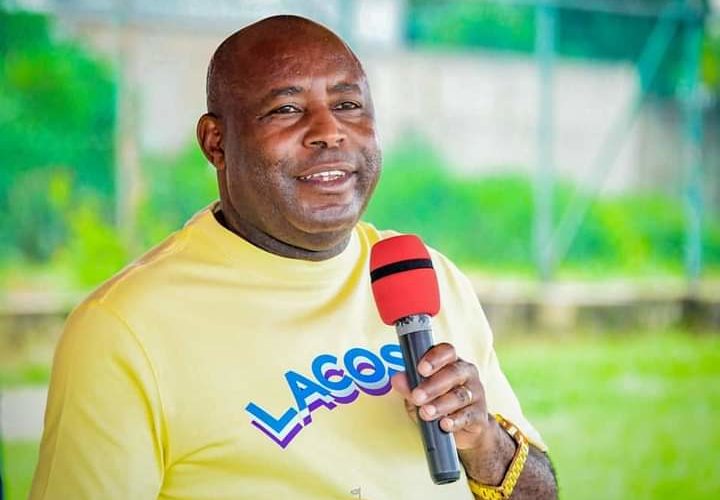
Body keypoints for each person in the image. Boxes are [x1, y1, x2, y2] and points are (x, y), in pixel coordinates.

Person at [30, 15, 558, 499]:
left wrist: (484, 443)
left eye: (348, 105)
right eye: (286, 109)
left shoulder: (424, 275)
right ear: (216, 142)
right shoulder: (125, 330)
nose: (329, 131)